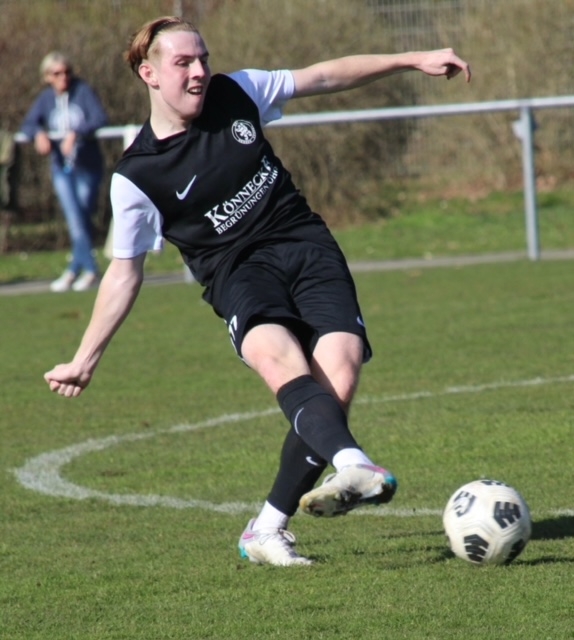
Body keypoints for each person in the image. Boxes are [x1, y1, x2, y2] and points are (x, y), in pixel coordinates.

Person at [44, 17, 471, 566]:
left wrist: (411, 59)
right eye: (183, 63)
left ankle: (266, 528)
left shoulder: (237, 92)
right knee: (278, 357)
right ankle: (353, 464)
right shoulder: (137, 176)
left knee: (338, 376)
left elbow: (323, 76)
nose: (199, 72)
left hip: (305, 245)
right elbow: (124, 273)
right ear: (149, 74)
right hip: (237, 272)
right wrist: (85, 358)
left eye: (203, 59)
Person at [21, 52, 109, 292]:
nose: (63, 77)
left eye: (67, 72)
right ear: (47, 77)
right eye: (57, 73)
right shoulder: (45, 99)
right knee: (74, 218)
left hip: (87, 166)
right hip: (61, 168)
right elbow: (28, 123)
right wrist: (38, 133)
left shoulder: (83, 91)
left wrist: (76, 132)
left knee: (81, 218)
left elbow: (100, 118)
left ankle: (75, 270)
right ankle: (88, 270)